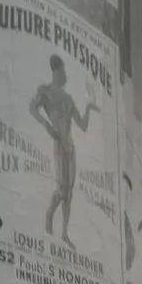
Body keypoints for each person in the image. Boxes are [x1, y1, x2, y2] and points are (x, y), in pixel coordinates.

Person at [29, 55, 99, 247]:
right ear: (56, 71)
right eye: (63, 71)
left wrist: (89, 109)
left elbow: (82, 125)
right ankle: (49, 214)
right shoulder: (45, 91)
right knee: (61, 189)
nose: (65, 75)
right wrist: (45, 124)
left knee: (69, 193)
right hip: (59, 143)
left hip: (70, 147)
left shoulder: (68, 98)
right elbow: (32, 107)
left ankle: (65, 233)